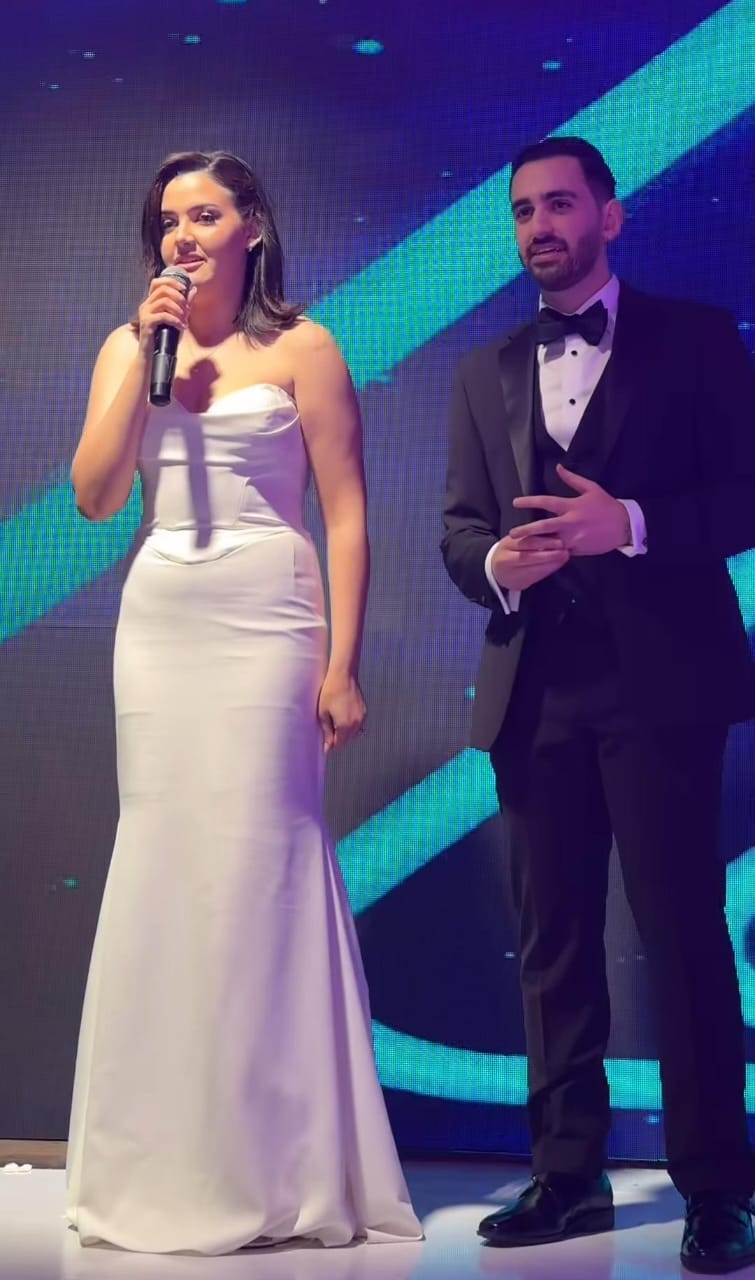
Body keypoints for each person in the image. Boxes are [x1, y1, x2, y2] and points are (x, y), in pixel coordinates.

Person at [65, 149, 422, 1254]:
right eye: (169, 219)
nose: (183, 235)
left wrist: (342, 662)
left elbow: (346, 512)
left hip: (269, 617)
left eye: (206, 214)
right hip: (161, 618)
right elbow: (95, 498)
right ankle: (160, 1159)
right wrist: (145, 356)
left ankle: (280, 1160)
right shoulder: (130, 347)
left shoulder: (305, 347)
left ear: (252, 226)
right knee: (166, 861)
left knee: (260, 864)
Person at [441, 136, 755, 1274]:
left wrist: (625, 523)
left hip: (660, 685)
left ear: (609, 216)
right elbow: (458, 530)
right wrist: (497, 563)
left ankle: (716, 1187)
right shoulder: (480, 372)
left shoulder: (696, 339)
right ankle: (566, 1176)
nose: (540, 226)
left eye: (560, 204)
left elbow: (743, 495)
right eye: (523, 210)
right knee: (552, 941)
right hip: (534, 689)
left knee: (681, 935)